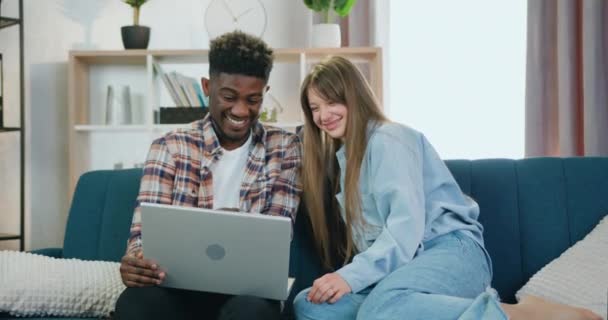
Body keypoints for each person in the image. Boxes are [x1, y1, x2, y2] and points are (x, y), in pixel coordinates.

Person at [293, 56, 602, 320]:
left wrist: (349, 277)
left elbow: (405, 231)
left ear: (354, 96)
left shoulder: (388, 139)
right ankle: (424, 310)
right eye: (315, 107)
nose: (323, 115)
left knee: (381, 309)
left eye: (332, 101)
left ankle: (519, 313)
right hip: (405, 269)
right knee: (310, 304)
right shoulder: (346, 160)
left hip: (450, 251)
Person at [113, 31, 302, 320]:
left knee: (250, 313)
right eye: (229, 96)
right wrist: (137, 263)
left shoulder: (285, 149)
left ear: (264, 93)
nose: (240, 110)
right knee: (136, 305)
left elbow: (278, 232)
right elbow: (142, 236)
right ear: (207, 87)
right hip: (176, 288)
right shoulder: (169, 147)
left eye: (253, 100)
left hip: (247, 293)